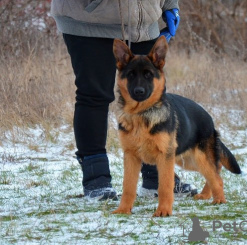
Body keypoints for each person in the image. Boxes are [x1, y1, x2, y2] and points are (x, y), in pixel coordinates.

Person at [50, 0, 197, 200]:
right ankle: (96, 178)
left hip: (143, 22)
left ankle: (156, 176)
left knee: (150, 98)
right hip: (89, 20)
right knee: (94, 94)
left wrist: (170, 5)